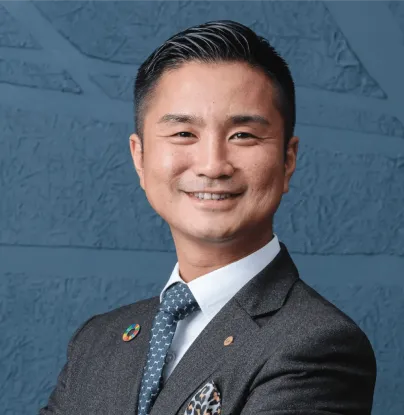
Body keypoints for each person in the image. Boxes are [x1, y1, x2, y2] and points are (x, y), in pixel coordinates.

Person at [40, 20, 376, 415]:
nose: (213, 165)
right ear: (140, 157)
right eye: (184, 133)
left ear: (287, 160)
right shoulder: (96, 342)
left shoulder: (318, 344)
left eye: (243, 135)